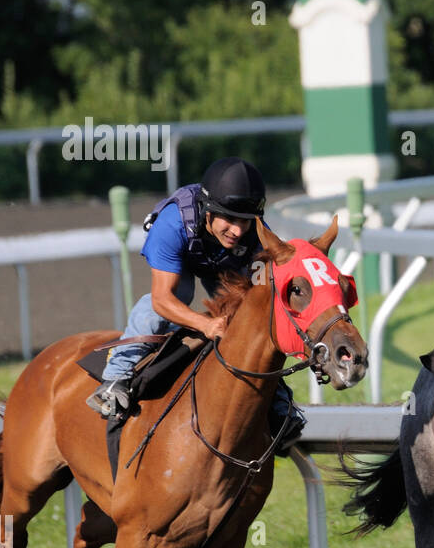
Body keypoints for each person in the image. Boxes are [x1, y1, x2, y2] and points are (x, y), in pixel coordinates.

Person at [86, 156, 306, 453]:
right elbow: (163, 300)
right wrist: (205, 324)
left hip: (227, 265)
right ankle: (116, 377)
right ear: (207, 211)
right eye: (229, 219)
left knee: (249, 317)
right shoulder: (172, 224)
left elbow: (262, 296)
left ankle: (277, 399)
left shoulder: (256, 235)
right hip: (184, 259)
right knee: (174, 299)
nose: (238, 231)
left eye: (244, 221)